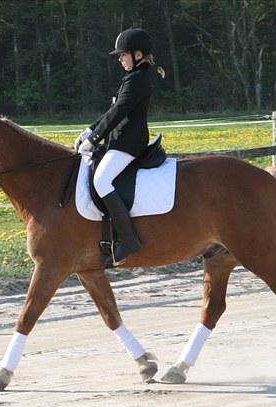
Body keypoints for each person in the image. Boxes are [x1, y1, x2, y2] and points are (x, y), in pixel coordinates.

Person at [75, 27, 155, 265]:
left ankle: (129, 240)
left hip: (129, 144)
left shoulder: (138, 80)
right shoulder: (132, 78)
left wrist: (94, 140)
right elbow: (112, 111)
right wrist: (90, 131)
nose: (120, 59)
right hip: (120, 141)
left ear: (138, 55)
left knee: (101, 180)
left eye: (123, 55)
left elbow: (120, 111)